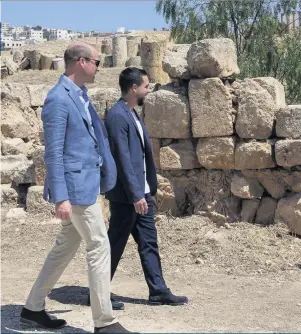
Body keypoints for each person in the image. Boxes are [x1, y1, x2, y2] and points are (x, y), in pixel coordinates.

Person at [19, 42, 133, 333]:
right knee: (98, 244)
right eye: (96, 61)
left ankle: (33, 308)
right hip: (75, 190)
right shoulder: (58, 99)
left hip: (86, 184)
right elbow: (53, 152)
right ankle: (104, 322)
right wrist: (61, 198)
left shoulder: (80, 96)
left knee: (63, 248)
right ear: (81, 62)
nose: (100, 67)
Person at [99, 67, 188, 307]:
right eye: (146, 86)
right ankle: (97, 294)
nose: (149, 91)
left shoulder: (132, 113)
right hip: (128, 197)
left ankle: (158, 290)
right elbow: (123, 159)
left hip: (141, 194)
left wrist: (147, 191)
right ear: (133, 88)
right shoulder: (118, 116)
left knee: (149, 242)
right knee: (115, 243)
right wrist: (136, 194)